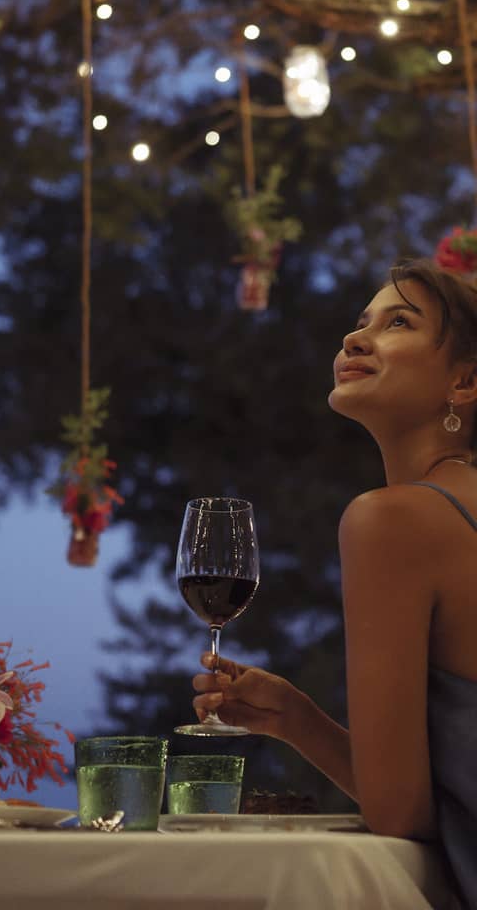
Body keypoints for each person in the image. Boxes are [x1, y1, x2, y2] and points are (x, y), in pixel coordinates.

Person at [191, 257, 477, 908]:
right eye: (360, 323)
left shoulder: (391, 521)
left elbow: (401, 815)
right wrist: (294, 718)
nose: (355, 338)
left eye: (398, 322)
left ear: (465, 382)